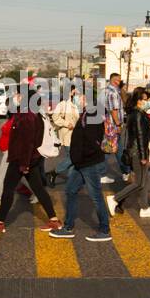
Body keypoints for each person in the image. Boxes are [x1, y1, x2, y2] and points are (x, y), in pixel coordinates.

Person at [0, 92, 61, 233]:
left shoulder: (27, 116)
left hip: (21, 159)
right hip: (31, 159)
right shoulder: (34, 114)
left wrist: (24, 164)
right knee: (38, 189)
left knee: (8, 189)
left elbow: (27, 142)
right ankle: (54, 220)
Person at [49, 101, 111, 242]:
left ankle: (105, 230)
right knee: (70, 190)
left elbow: (92, 143)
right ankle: (68, 227)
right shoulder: (86, 115)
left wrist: (79, 158)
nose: (79, 99)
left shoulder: (92, 117)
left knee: (96, 196)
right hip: (81, 163)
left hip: (88, 164)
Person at [108, 88, 150, 218]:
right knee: (139, 183)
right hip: (137, 152)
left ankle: (145, 208)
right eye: (145, 100)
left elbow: (147, 133)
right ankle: (114, 199)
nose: (147, 102)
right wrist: (143, 156)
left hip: (135, 151)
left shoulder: (136, 113)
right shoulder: (138, 115)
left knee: (145, 180)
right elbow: (140, 136)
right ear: (138, 100)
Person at [49, 84, 80, 186]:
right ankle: (54, 172)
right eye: (74, 91)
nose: (75, 93)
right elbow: (55, 117)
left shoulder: (75, 104)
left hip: (75, 135)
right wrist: (67, 124)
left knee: (72, 158)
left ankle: (70, 181)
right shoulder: (62, 104)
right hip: (67, 135)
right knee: (73, 157)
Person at [100, 72, 124, 184]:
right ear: (115, 81)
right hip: (113, 126)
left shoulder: (105, 91)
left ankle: (126, 172)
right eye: (119, 80)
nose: (120, 82)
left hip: (107, 124)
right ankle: (102, 174)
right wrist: (118, 124)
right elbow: (114, 110)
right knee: (109, 150)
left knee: (116, 149)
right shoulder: (113, 93)